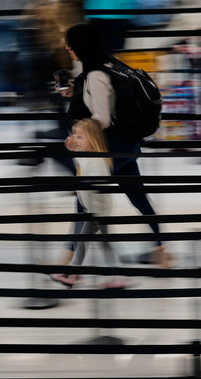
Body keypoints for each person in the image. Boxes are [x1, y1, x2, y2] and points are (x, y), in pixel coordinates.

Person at [61, 21, 169, 267]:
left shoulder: (96, 75)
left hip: (107, 150)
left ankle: (66, 265)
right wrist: (75, 91)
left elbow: (102, 117)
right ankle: (163, 252)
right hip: (126, 147)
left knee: (83, 203)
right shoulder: (110, 65)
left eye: (71, 44)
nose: (68, 48)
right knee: (139, 198)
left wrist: (79, 134)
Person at [49, 118, 126, 289]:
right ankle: (117, 276)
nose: (76, 140)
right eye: (74, 135)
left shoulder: (97, 162)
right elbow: (80, 160)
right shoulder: (89, 156)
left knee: (83, 241)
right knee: (103, 243)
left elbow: (95, 182)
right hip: (93, 208)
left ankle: (72, 274)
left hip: (97, 210)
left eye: (80, 137)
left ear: (94, 140)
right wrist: (72, 147)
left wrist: (79, 184)